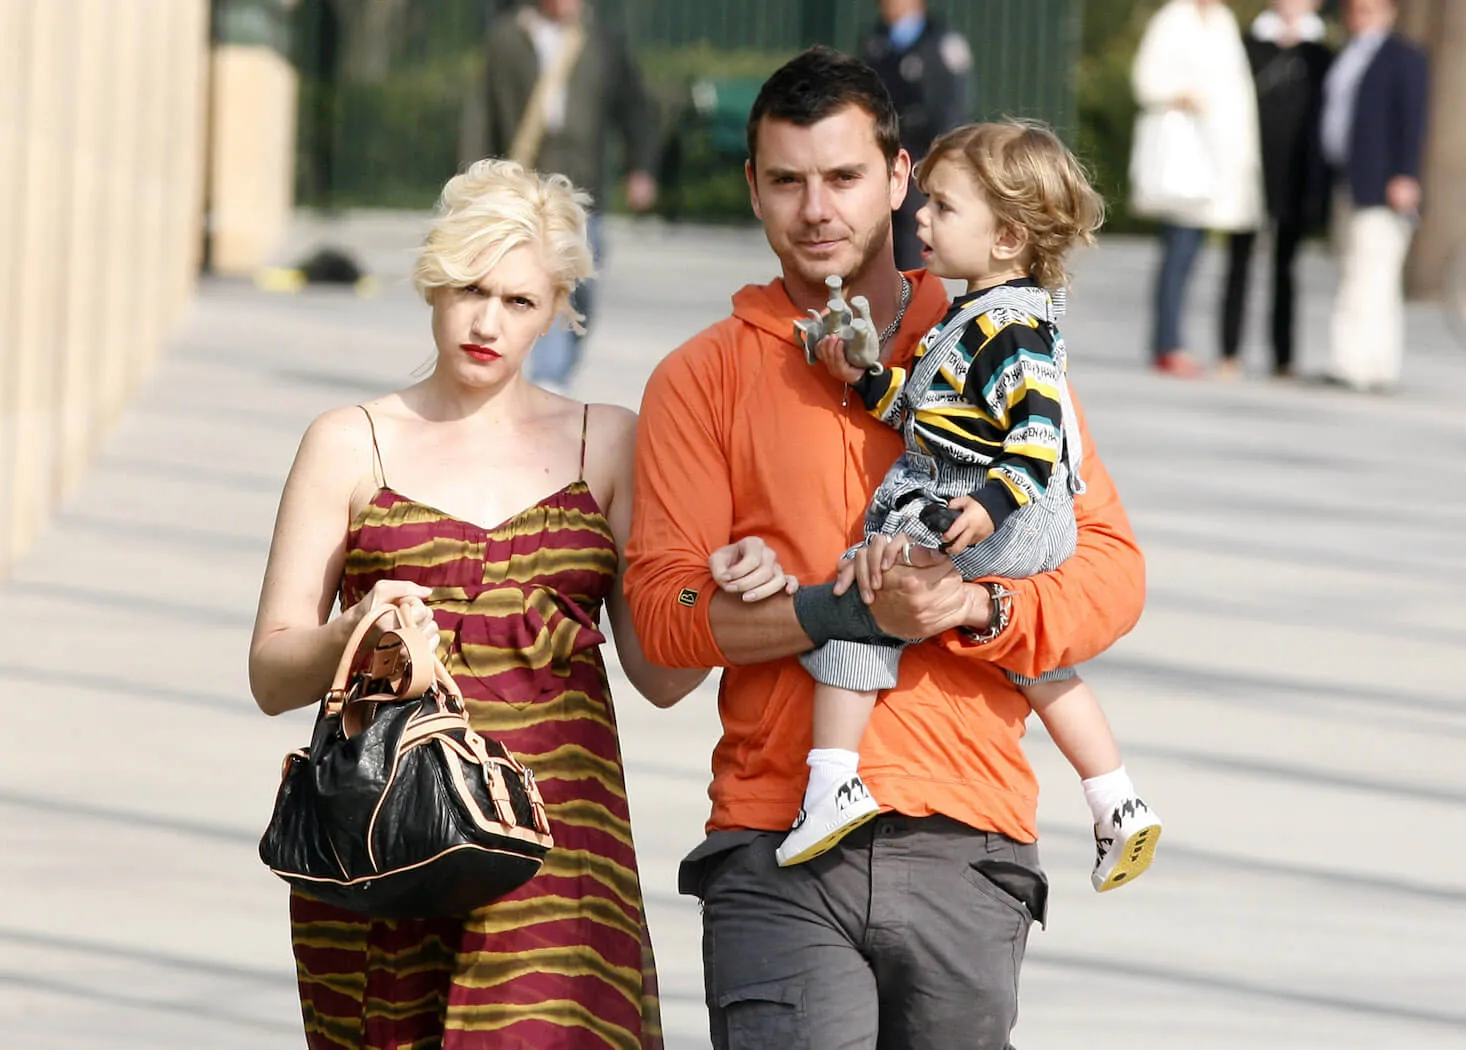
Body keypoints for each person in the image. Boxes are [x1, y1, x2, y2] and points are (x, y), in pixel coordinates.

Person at [624, 47, 1146, 1049]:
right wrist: (821, 608)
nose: (814, 207)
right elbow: (658, 628)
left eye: (843, 177)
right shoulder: (700, 377)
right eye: (786, 181)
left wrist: (975, 609)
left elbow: (1111, 573)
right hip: (778, 844)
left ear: (901, 181)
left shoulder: (996, 342)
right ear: (752, 189)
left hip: (967, 836)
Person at [248, 158, 784, 1049]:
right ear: (432, 282)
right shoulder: (350, 443)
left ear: (559, 305)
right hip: (392, 844)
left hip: (560, 851)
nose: (487, 322)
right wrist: (355, 632)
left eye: (518, 301)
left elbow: (659, 675)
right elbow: (271, 673)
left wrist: (721, 588)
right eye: (467, 289)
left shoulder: (606, 441)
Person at [775, 120, 1161, 889]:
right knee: (1043, 665)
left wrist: (990, 501)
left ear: (1008, 236)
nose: (920, 217)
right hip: (1005, 509)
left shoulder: (1006, 327)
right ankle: (1116, 800)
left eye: (943, 208)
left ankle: (832, 779)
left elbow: (1040, 427)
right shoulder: (975, 316)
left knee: (864, 589)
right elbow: (925, 413)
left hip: (991, 506)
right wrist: (859, 377)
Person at [480, 0, 660, 392]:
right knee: (538, 280)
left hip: (582, 189)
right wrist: (474, 179)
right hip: (526, 183)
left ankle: (558, 366)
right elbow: (482, 113)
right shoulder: (506, 38)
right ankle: (547, 374)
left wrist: (641, 168)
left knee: (584, 286)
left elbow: (635, 108)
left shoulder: (601, 39)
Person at [1131, 0, 1264, 377]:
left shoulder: (1222, 22)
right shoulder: (1173, 19)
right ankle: (1168, 343)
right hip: (1183, 159)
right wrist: (1182, 95)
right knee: (1179, 250)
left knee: (1190, 255)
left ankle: (1171, 340)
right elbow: (1146, 81)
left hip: (1214, 161)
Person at [1221, 0, 1334, 380]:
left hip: (1295, 176)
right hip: (1249, 171)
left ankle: (1283, 357)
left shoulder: (1321, 54)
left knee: (1286, 268)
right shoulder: (1247, 44)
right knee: (1238, 262)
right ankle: (1229, 352)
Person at [1320, 0, 1429, 392]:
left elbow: (1412, 120)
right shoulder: (1348, 54)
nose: (1360, 17)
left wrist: (1406, 175)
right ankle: (1361, 360)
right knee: (1357, 271)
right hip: (1350, 181)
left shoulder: (1404, 58)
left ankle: (1362, 363)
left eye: (1369, 9)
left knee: (1373, 274)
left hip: (1384, 186)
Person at [860, 0, 973, 272]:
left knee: (915, 221)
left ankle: (912, 294)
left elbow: (954, 101)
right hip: (883, 146)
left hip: (924, 149)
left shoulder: (941, 41)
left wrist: (943, 151)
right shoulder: (876, 40)